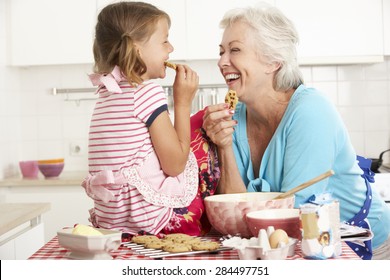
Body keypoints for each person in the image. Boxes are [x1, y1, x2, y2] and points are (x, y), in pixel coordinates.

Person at [202, 2, 390, 259]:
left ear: (273, 61)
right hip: (288, 243)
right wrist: (223, 145)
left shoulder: (311, 111)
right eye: (221, 51)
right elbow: (234, 210)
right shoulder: (233, 118)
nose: (222, 62)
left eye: (234, 50)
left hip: (364, 246)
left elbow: (294, 215)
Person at [81, 1, 202, 236]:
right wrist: (183, 102)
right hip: (152, 221)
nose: (171, 48)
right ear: (137, 49)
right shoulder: (147, 92)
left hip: (111, 223)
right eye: (164, 40)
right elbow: (175, 165)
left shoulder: (107, 93)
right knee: (205, 144)